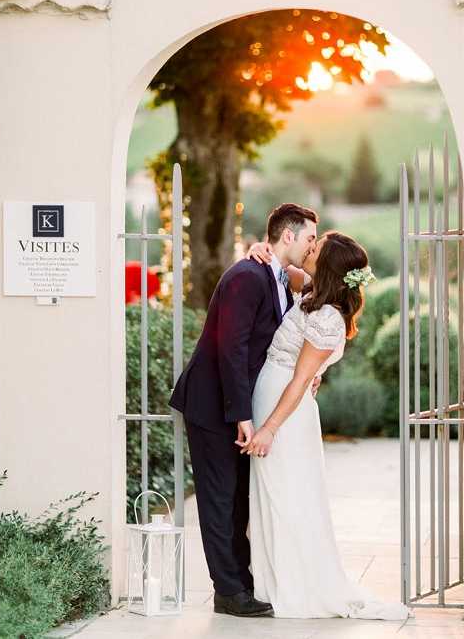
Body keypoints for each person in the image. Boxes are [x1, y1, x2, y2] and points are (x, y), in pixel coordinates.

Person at [241, 231, 410, 621]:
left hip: (286, 411)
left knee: (287, 496)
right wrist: (258, 250)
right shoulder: (314, 292)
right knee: (272, 494)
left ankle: (295, 587)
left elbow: (301, 380)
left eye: (316, 247)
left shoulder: (329, 316)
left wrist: (269, 429)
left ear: (329, 264)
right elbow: (282, 269)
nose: (309, 248)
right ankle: (273, 582)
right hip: (275, 396)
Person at [168, 203, 318, 617]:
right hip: (212, 404)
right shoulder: (246, 276)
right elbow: (229, 349)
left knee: (237, 500)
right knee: (218, 499)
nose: (310, 247)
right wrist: (242, 415)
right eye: (307, 238)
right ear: (287, 236)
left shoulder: (277, 276)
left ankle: (241, 581)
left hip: (237, 404)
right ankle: (228, 592)